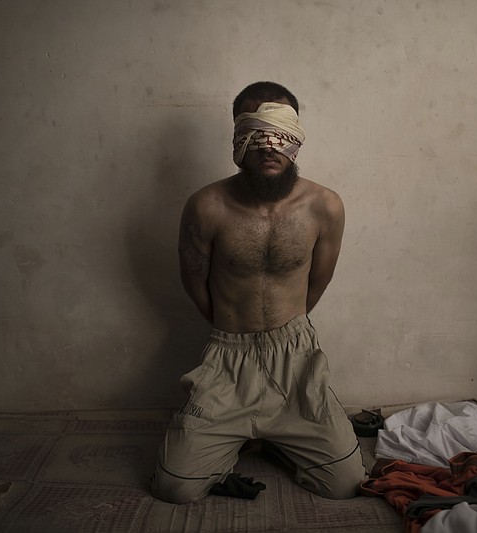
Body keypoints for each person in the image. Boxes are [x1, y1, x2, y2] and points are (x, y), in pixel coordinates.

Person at [151, 81, 364, 504]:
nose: (270, 146)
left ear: (297, 139)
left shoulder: (325, 206)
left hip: (296, 358)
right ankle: (241, 438)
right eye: (256, 132)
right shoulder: (206, 205)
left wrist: (286, 334)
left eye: (281, 133)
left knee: (346, 484)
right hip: (227, 360)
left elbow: (318, 281)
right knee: (174, 488)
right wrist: (233, 330)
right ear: (237, 137)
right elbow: (194, 280)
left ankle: (275, 440)